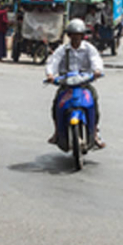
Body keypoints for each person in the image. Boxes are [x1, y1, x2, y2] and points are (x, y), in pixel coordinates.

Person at [45, 19, 105, 148]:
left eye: (79, 35)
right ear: (69, 35)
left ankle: (95, 132)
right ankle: (57, 132)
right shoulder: (63, 49)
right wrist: (50, 75)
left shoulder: (89, 48)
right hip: (66, 84)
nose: (76, 38)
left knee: (94, 100)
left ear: (83, 35)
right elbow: (53, 61)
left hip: (84, 83)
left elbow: (96, 59)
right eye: (73, 35)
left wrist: (97, 71)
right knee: (56, 105)